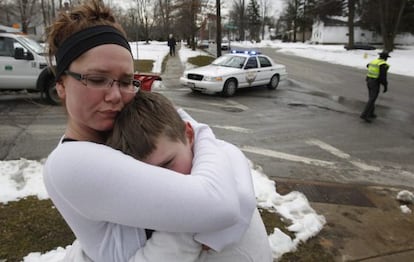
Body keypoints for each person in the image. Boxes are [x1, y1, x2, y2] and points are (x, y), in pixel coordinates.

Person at [42, 1, 254, 262]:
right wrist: (203, 135)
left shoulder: (120, 135)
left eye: (126, 81)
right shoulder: (69, 162)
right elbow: (221, 203)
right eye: (96, 79)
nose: (115, 95)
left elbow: (231, 161)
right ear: (61, 85)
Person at [105, 91, 273, 262]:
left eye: (167, 164)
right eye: (147, 175)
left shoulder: (199, 212)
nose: (163, 182)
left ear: (189, 135)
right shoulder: (219, 163)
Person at [360, 51, 390, 123]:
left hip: (369, 80)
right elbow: (383, 77)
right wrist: (385, 86)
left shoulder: (374, 61)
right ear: (385, 58)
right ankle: (364, 114)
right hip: (375, 83)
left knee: (371, 97)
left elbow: (368, 65)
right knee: (372, 99)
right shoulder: (383, 64)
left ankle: (371, 113)